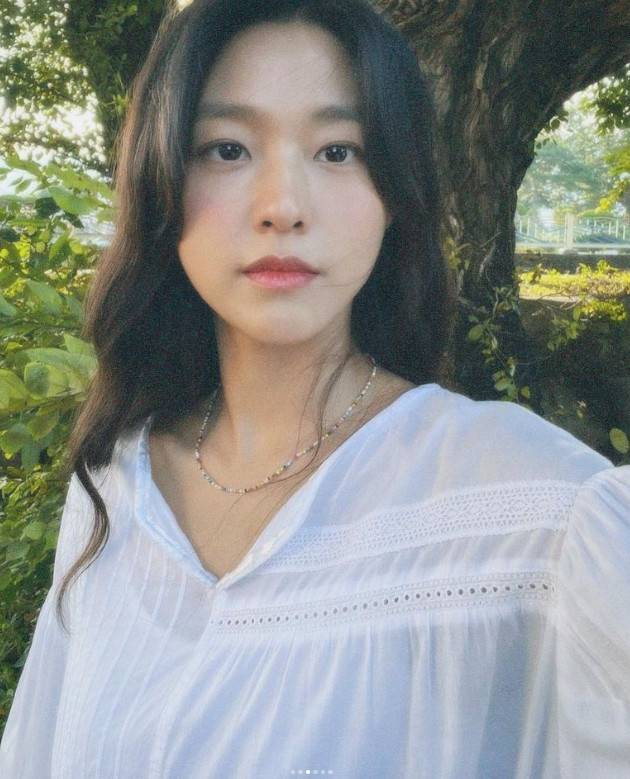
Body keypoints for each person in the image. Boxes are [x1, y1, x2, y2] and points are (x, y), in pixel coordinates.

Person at [1, 0, 629, 776]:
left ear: (396, 192)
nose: (283, 208)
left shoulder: (536, 511)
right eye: (227, 149)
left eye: (338, 151)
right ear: (160, 181)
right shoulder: (113, 484)